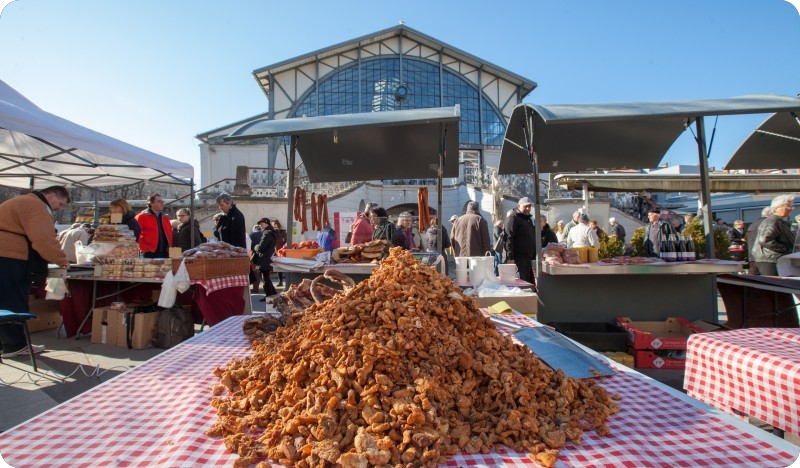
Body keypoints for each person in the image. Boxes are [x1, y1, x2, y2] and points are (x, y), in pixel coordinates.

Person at [0, 186, 70, 358]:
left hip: (5, 254)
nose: (59, 208)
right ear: (51, 195)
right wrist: (62, 260)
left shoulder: (21, 201)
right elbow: (44, 239)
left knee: (3, 301)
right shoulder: (36, 205)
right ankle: (15, 345)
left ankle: (5, 344)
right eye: (60, 204)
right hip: (10, 257)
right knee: (13, 302)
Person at [752, 194, 795, 276]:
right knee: (773, 282)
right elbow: (764, 240)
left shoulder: (780, 222)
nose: (790, 209)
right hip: (770, 259)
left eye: (791, 207)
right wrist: (785, 249)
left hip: (773, 258)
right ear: (777, 207)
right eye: (787, 207)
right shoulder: (772, 221)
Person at [504, 197, 535, 284]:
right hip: (518, 259)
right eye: (525, 206)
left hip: (527, 258)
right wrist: (510, 258)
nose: (528, 208)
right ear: (518, 206)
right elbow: (508, 239)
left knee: (527, 283)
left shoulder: (528, 219)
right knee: (520, 283)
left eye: (529, 206)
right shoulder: (513, 218)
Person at [135, 193, 173, 258]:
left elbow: (170, 233)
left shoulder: (165, 217)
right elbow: (136, 234)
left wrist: (170, 247)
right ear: (151, 203)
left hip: (165, 252)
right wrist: (144, 248)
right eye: (159, 201)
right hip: (148, 253)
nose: (162, 203)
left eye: (162, 201)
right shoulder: (142, 216)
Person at [253, 218, 279, 298]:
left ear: (267, 223)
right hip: (269, 256)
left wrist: (255, 247)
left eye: (262, 224)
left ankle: (269, 296)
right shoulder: (272, 232)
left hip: (265, 257)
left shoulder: (267, 233)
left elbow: (261, 247)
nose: (260, 225)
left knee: (265, 278)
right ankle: (273, 294)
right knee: (266, 277)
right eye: (260, 224)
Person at [748, 206, 773, 274]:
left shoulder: (753, 224)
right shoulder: (769, 224)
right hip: (766, 257)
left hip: (753, 256)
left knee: (754, 277)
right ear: (770, 214)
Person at [248, 221, 265, 294]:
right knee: (265, 272)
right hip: (265, 256)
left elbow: (249, 246)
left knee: (256, 272)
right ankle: (266, 288)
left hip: (255, 256)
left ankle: (256, 289)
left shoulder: (251, 234)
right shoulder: (264, 234)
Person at [271, 219, 287, 287]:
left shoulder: (282, 232)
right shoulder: (271, 232)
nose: (274, 226)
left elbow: (286, 241)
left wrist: (282, 248)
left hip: (281, 251)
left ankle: (282, 281)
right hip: (273, 250)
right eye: (273, 224)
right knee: (277, 266)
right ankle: (280, 281)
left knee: (282, 266)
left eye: (275, 224)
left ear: (278, 224)